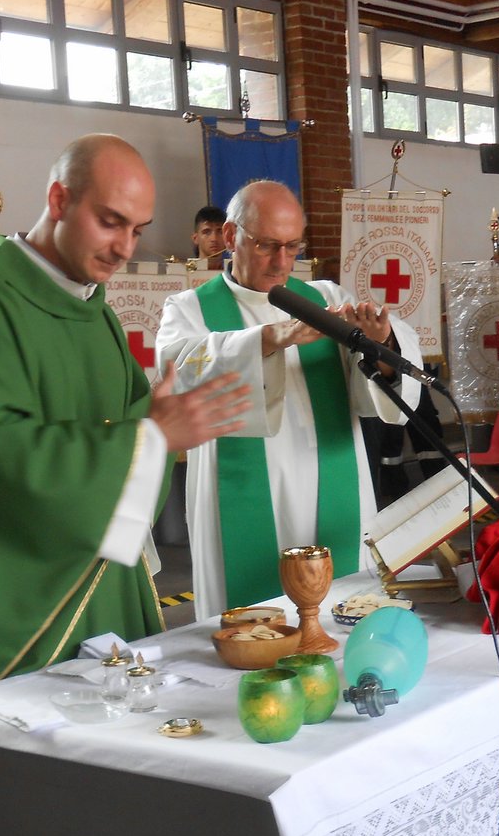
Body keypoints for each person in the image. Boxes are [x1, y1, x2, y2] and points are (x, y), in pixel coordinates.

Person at [0, 134, 251, 836]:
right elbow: (1, 456)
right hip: (7, 594)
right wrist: (153, 437)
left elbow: (115, 425)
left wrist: (151, 416)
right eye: (110, 222)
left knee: (110, 834)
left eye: (138, 230)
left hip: (96, 585)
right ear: (57, 201)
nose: (124, 247)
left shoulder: (90, 309)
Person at [155, 179, 422, 619]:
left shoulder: (326, 298)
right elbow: (176, 370)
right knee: (254, 626)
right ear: (229, 236)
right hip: (241, 486)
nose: (282, 262)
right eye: (266, 246)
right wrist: (270, 337)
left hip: (334, 475)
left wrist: (382, 342)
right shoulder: (188, 308)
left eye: (293, 247)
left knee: (340, 615)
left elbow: (384, 373)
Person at [190, 204, 227, 270]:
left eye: (220, 232)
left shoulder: (236, 275)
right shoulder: (184, 276)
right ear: (195, 238)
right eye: (206, 232)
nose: (214, 238)